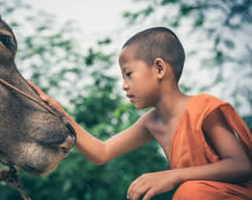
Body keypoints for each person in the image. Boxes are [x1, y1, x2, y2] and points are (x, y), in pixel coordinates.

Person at [28, 27, 252, 200]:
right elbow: (102, 152)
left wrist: (173, 176)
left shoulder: (204, 108)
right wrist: (62, 115)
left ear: (160, 69)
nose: (124, 86)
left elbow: (242, 166)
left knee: (191, 191)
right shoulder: (152, 123)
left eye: (129, 74)